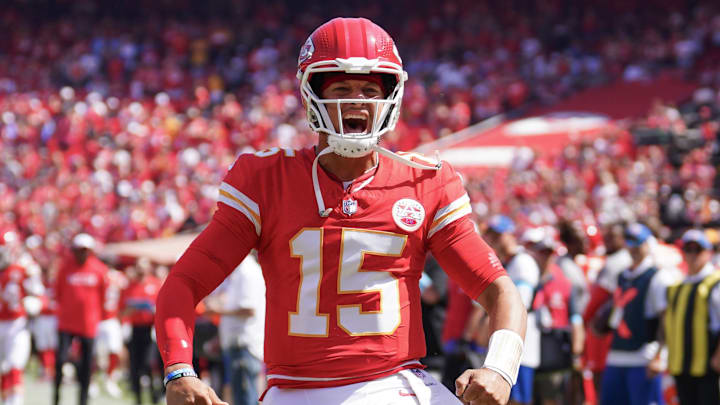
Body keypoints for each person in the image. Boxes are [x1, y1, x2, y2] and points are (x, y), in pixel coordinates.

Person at [155, 17, 527, 405]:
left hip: (395, 384)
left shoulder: (424, 181)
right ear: (310, 94)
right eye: (342, 88)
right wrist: (179, 369)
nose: (356, 101)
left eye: (369, 89)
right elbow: (184, 283)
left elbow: (499, 291)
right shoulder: (265, 178)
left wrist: (500, 368)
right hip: (295, 391)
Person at [598, 223, 679, 405]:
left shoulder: (657, 277)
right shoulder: (622, 275)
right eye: (631, 243)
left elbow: (666, 320)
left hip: (643, 355)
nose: (634, 249)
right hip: (617, 353)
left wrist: (660, 356)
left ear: (648, 244)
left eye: (638, 243)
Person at [483, 215, 540, 405]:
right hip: (507, 336)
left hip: (520, 337)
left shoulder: (522, 261)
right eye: (491, 235)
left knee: (517, 399)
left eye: (498, 235)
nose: (494, 240)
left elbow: (521, 303)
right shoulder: (507, 261)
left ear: (509, 235)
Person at [664, 230, 720, 405]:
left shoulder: (715, 283)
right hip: (681, 365)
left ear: (709, 252)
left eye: (698, 249)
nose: (693, 254)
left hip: (707, 367)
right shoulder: (677, 285)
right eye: (688, 249)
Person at [53, 233, 108, 405]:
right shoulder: (65, 268)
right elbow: (58, 293)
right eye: (78, 250)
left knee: (86, 366)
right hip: (66, 323)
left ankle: (82, 401)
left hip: (88, 325)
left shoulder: (99, 270)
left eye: (84, 250)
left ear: (90, 251)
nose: (81, 254)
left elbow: (104, 296)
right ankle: (56, 396)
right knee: (60, 360)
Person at [204, 255, 266, 405]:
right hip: (238, 344)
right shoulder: (239, 271)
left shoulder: (247, 271)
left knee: (245, 399)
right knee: (241, 396)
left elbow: (249, 309)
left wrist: (217, 310)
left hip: (244, 345)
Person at [0, 240, 44, 405]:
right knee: (3, 368)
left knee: (14, 364)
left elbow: (38, 294)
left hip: (17, 323)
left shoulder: (22, 270)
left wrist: (34, 302)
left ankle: (15, 401)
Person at [120, 257, 163, 405]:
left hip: (150, 330)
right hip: (135, 330)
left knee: (149, 365)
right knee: (135, 367)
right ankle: (138, 399)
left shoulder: (155, 285)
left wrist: (152, 310)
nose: (140, 269)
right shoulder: (130, 287)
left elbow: (162, 309)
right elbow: (122, 312)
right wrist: (130, 310)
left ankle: (154, 397)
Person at [95, 266, 128, 398]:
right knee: (94, 352)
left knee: (115, 350)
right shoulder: (98, 275)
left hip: (112, 319)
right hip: (96, 318)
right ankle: (93, 380)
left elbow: (123, 298)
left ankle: (109, 379)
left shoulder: (119, 277)